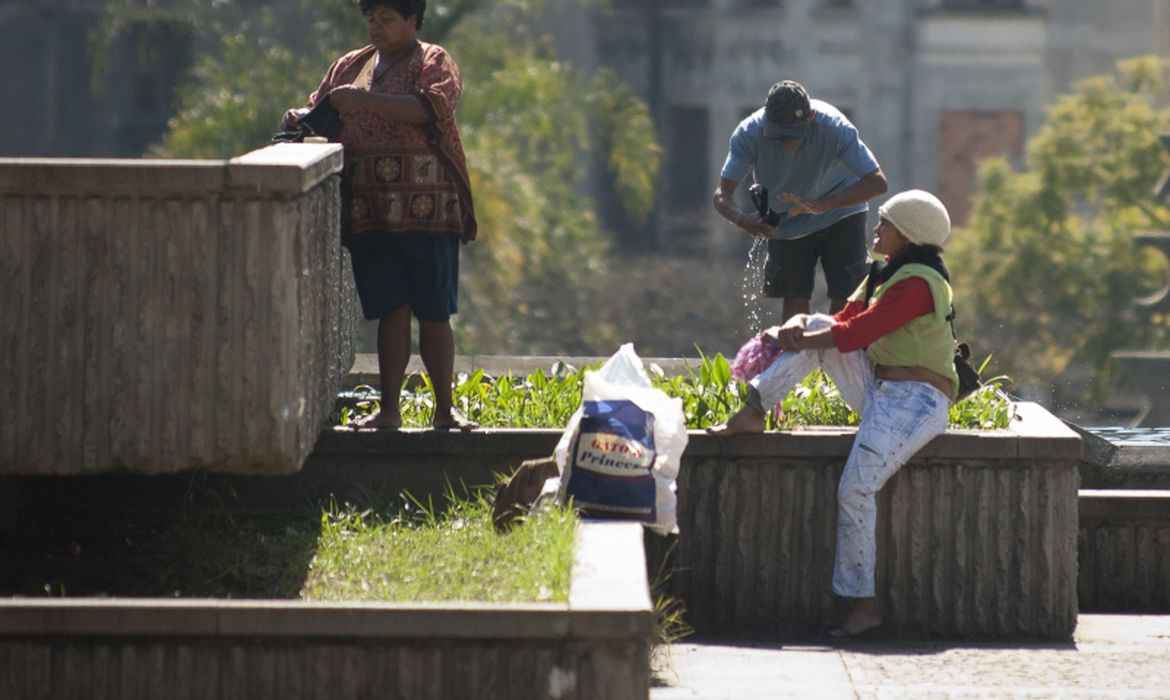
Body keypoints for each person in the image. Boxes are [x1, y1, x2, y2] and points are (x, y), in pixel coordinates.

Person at [712, 190, 959, 639]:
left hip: (917, 400)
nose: (877, 230)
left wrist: (802, 340)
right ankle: (754, 407)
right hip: (883, 389)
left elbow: (863, 331)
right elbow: (843, 319)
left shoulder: (920, 283)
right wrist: (795, 326)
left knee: (856, 489)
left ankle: (862, 604)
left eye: (885, 224)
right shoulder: (885, 273)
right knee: (818, 325)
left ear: (908, 234)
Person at [284, 0, 477, 430]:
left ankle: (445, 411)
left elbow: (430, 109)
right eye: (372, 18)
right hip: (372, 208)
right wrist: (300, 119)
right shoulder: (350, 66)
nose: (377, 26)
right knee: (390, 310)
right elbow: (324, 112)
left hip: (429, 206)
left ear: (413, 21)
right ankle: (389, 411)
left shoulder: (433, 60)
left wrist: (364, 102)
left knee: (433, 313)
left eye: (388, 18)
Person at [713, 80, 888, 322]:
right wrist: (744, 221)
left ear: (812, 117)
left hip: (841, 210)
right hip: (787, 219)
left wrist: (823, 205)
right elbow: (722, 195)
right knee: (793, 294)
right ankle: (796, 357)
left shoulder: (835, 128)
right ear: (767, 121)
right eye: (780, 135)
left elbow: (877, 183)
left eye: (794, 135)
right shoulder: (749, 133)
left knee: (845, 294)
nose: (788, 143)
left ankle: (836, 357)